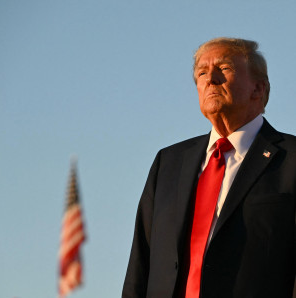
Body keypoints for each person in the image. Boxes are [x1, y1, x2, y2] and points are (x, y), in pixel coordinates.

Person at [122, 37, 296, 298]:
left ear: (258, 89)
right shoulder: (167, 163)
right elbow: (141, 262)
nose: (210, 79)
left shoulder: (291, 159)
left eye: (224, 69)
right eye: (202, 72)